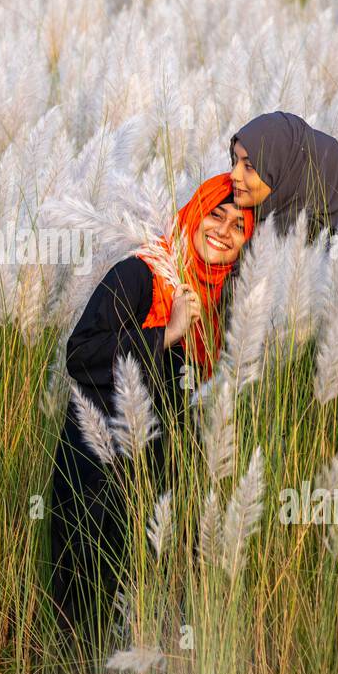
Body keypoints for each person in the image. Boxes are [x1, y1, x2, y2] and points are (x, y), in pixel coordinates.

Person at [48, 174, 255, 639]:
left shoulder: (224, 303)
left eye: (238, 225)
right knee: (84, 622)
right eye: (215, 215)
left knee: (136, 621)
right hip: (96, 480)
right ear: (194, 215)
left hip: (157, 487)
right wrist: (167, 333)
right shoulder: (142, 273)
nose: (222, 230)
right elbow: (81, 354)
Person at [229, 111, 338, 243]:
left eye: (249, 166)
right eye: (234, 162)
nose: (233, 175)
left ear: (291, 176)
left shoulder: (315, 255)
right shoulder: (227, 223)